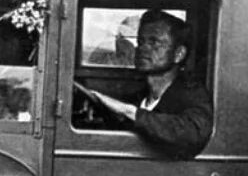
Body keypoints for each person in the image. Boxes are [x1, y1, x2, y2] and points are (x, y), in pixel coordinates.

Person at [73, 10, 213, 158]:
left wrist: (128, 111)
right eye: (140, 41)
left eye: (154, 42)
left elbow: (192, 134)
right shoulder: (140, 96)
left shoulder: (193, 94)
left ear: (178, 54)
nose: (142, 48)